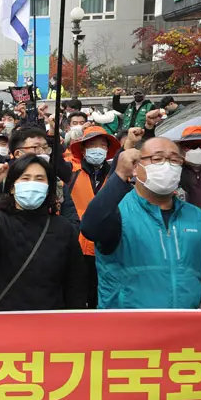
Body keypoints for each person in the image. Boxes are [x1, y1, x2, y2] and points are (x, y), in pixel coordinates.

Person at [81, 137, 201, 315]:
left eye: (174, 160)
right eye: (157, 159)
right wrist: (120, 176)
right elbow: (90, 227)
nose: (167, 165)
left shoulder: (194, 215)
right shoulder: (117, 211)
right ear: (137, 164)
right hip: (130, 328)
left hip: (186, 327)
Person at [0, 156, 86, 311]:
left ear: (48, 187)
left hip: (49, 319)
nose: (32, 184)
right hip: (4, 319)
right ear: (12, 187)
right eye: (25, 178)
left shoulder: (63, 227)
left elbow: (75, 282)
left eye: (39, 179)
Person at [67, 126, 121, 308]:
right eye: (92, 145)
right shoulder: (70, 172)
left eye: (102, 145)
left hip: (107, 246)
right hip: (77, 246)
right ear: (83, 149)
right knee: (79, 293)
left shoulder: (115, 175)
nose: (97, 149)